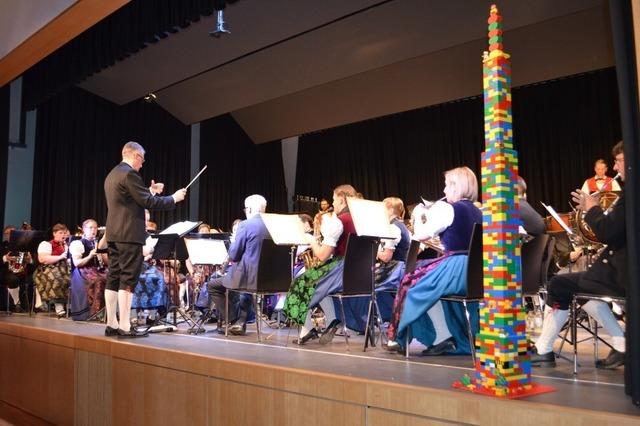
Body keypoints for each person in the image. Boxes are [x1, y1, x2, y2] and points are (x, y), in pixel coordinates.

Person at [531, 142, 627, 369]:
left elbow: (607, 232)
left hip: (621, 272)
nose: (615, 166)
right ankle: (621, 342)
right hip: (616, 269)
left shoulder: (629, 192)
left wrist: (593, 209)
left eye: (619, 161)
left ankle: (544, 350)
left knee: (559, 283)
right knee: (579, 287)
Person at [386, 167, 482, 354]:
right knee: (430, 283)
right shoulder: (479, 212)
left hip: (456, 269)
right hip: (475, 272)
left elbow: (421, 234)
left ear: (456, 187)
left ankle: (434, 336)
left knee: (410, 282)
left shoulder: (448, 209)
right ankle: (446, 336)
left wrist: (420, 216)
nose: (444, 191)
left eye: (447, 186)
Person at [103, 141, 186, 338]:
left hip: (114, 234)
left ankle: (111, 324)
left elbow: (131, 201)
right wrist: (173, 198)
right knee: (127, 279)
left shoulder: (113, 174)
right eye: (142, 159)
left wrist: (152, 191)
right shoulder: (130, 173)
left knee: (114, 277)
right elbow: (146, 203)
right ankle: (124, 326)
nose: (143, 164)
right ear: (135, 156)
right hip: (129, 234)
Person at [283, 184, 357, 345]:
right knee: (318, 285)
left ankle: (307, 329)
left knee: (299, 283)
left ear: (342, 199)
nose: (333, 204)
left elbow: (322, 255)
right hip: (358, 273)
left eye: (334, 200)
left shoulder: (339, 222)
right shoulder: (360, 219)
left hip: (341, 270)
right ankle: (332, 320)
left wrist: (310, 240)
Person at [339, 197, 411, 334]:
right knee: (371, 284)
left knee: (362, 285)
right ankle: (380, 320)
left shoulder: (393, 227)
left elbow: (386, 256)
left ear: (389, 209)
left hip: (394, 271)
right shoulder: (401, 226)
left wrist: (371, 246)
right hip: (398, 268)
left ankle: (362, 323)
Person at [204, 194, 269, 335]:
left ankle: (235, 320)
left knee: (213, 286)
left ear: (250, 209)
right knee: (236, 285)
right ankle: (241, 319)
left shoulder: (245, 225)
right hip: (270, 279)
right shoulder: (274, 225)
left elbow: (234, 255)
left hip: (247, 278)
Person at [69, 219, 108, 321]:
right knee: (98, 280)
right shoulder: (78, 243)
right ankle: (94, 313)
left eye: (95, 227)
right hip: (83, 270)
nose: (93, 230)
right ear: (83, 229)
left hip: (98, 269)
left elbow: (107, 262)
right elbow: (77, 263)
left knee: (113, 278)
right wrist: (90, 256)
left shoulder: (98, 243)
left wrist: (102, 253)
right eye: (90, 227)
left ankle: (109, 312)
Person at [34, 223, 71, 317]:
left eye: (64, 233)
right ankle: (59, 307)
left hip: (64, 269)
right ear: (54, 233)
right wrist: (60, 257)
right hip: (47, 269)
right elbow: (43, 259)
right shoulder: (46, 244)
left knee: (76, 277)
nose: (63, 235)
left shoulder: (67, 245)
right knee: (58, 277)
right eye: (60, 233)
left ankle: (72, 306)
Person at [1, 225, 35, 312]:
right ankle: (16, 304)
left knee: (34, 279)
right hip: (6, 273)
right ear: (5, 235)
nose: (11, 235)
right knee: (13, 279)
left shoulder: (23, 246)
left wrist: (29, 260)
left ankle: (34, 306)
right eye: (8, 233)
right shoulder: (2, 246)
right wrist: (5, 258)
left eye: (13, 233)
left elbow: (34, 263)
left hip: (22, 272)